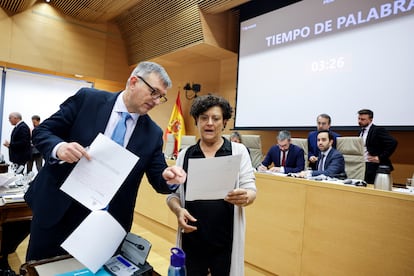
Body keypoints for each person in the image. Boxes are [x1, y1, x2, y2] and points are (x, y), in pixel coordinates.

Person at [24, 61, 187, 262]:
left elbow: (159, 176)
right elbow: (43, 131)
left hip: (104, 224)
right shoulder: (88, 100)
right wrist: (60, 148)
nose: (155, 100)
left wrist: (168, 177)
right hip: (58, 210)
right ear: (133, 81)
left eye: (161, 96)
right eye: (153, 92)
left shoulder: (152, 133)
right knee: (41, 268)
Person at [166, 95, 256, 276]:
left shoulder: (238, 152)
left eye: (215, 118)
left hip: (226, 239)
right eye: (204, 118)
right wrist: (178, 210)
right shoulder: (185, 155)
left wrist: (246, 196)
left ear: (224, 123)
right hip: (192, 238)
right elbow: (172, 195)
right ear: (197, 121)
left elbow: (251, 190)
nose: (209, 123)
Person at [357, 109, 397, 184]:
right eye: (359, 118)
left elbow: (393, 142)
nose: (360, 121)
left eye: (363, 119)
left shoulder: (377, 130)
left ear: (370, 120)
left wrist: (380, 157)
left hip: (375, 166)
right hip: (363, 165)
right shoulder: (360, 131)